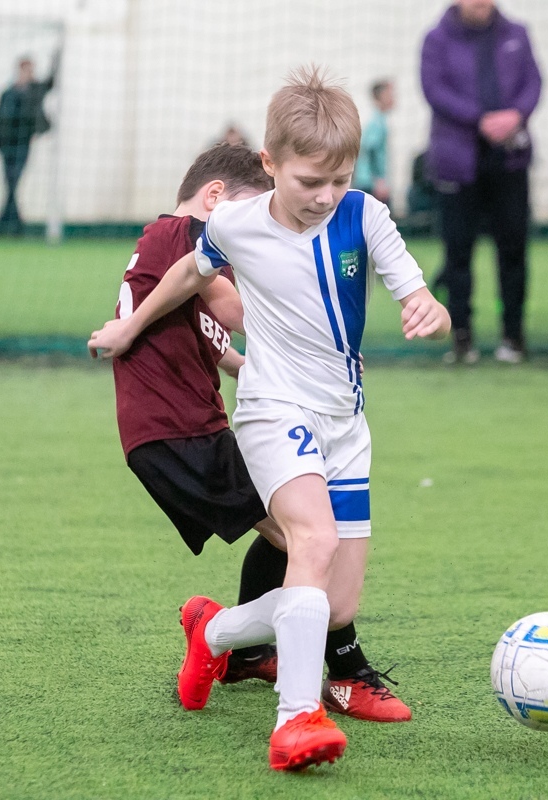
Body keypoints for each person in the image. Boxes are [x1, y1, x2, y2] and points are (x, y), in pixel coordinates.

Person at [89, 66, 450, 771]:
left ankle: (215, 631)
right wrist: (130, 331)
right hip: (273, 410)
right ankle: (296, 720)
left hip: (347, 426)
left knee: (334, 602)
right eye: (309, 181)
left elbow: (415, 291)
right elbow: (192, 275)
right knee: (308, 542)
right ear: (270, 164)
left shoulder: (365, 215)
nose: (324, 197)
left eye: (338, 180)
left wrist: (427, 309)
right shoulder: (234, 222)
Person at [108, 142, 411, 722]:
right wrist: (319, 343)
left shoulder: (168, 254)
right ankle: (344, 671)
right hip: (180, 434)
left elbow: (223, 348)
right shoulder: (182, 233)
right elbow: (235, 311)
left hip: (182, 433)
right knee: (308, 540)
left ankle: (246, 650)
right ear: (217, 199)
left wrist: (302, 363)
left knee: (291, 524)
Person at [421, 0, 542, 364]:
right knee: (458, 252)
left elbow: (534, 83)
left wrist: (515, 115)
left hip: (509, 161)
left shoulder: (517, 35)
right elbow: (433, 89)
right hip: (458, 163)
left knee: (513, 250)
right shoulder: (436, 39)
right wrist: (480, 119)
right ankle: (461, 338)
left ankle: (514, 336)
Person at [0, 52, 59, 235]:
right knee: (10, 183)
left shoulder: (34, 91)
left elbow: (50, 83)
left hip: (23, 144)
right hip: (7, 145)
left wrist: (56, 59)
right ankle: (13, 223)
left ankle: (6, 223)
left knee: (13, 182)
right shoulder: (8, 93)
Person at [354, 79, 395, 203]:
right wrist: (379, 181)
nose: (393, 98)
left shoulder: (379, 120)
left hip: (368, 183)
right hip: (370, 185)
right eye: (389, 94)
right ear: (381, 97)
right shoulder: (377, 123)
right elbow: (370, 150)